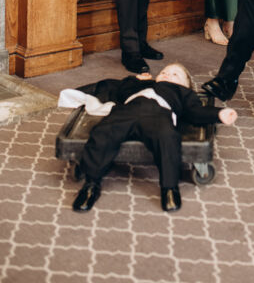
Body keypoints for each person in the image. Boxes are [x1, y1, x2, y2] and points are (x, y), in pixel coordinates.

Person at [69, 63, 237, 213]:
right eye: (164, 72)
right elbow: (119, 90)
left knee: (168, 138)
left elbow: (196, 112)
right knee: (103, 133)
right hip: (126, 111)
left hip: (158, 114)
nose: (167, 75)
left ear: (186, 85)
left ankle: (169, 188)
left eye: (175, 75)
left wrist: (219, 114)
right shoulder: (143, 85)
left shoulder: (183, 93)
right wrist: (135, 80)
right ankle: (91, 185)